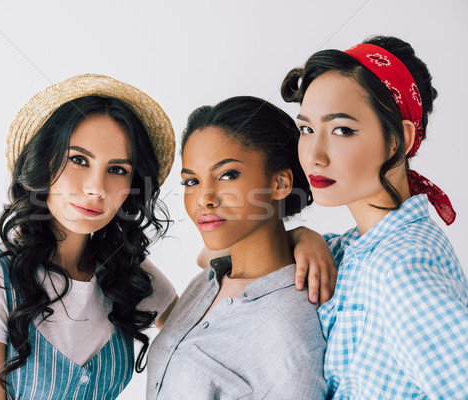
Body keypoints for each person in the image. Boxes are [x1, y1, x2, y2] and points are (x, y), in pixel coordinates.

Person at [0, 74, 179, 400]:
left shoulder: (129, 273)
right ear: (44, 163)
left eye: (117, 169)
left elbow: (206, 344)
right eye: (78, 160)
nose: (95, 187)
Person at [281, 35, 468, 398]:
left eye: (342, 130)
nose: (314, 155)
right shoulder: (356, 248)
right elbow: (222, 256)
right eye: (307, 129)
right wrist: (300, 236)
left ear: (399, 139)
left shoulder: (400, 269)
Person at [147, 96, 327, 399]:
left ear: (280, 183)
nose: (204, 198)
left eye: (228, 175)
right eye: (191, 181)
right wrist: (301, 235)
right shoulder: (206, 282)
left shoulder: (290, 333)